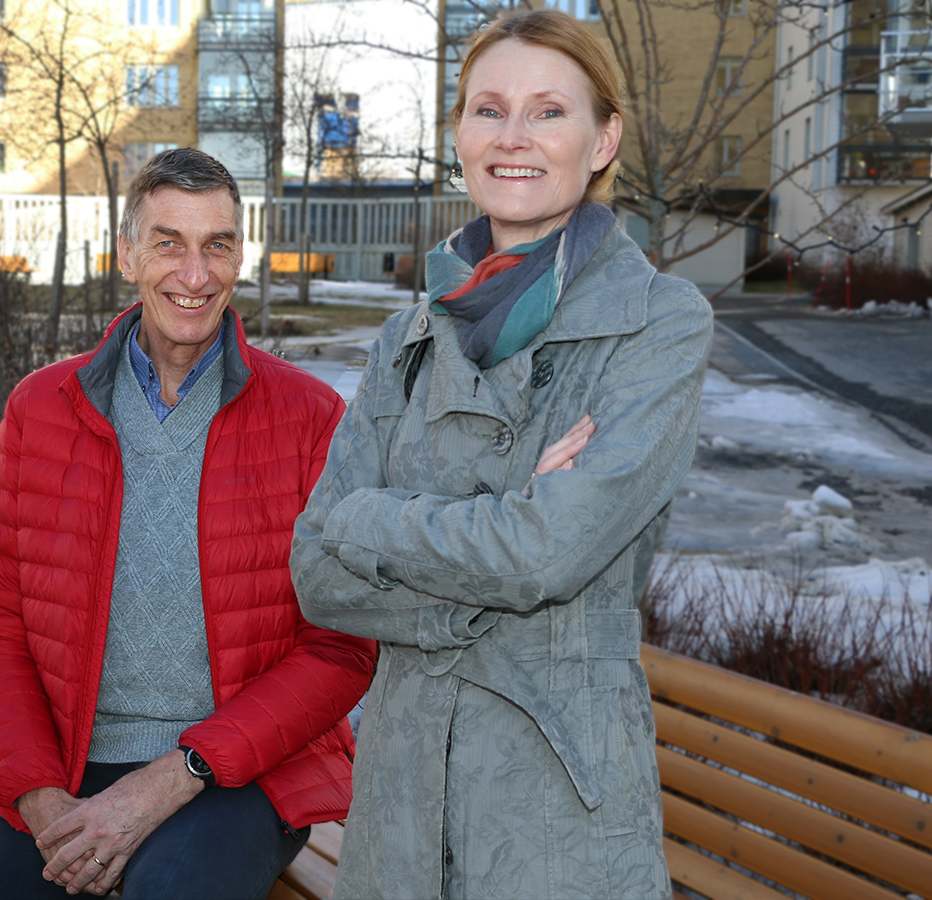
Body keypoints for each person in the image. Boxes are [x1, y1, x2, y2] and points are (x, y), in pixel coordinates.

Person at [290, 10, 713, 899]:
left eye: (548, 112)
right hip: (399, 814)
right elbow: (315, 571)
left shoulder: (659, 322)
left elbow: (546, 556)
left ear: (604, 138)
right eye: (489, 110)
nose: (513, 138)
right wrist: (503, 529)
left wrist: (370, 520)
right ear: (458, 134)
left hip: (556, 817)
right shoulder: (409, 333)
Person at [0, 148, 377, 899]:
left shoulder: (310, 418)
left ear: (240, 256)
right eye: (168, 243)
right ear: (125, 255)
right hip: (69, 759)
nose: (195, 273)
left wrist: (176, 775)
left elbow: (341, 648)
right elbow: (1, 626)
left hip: (242, 772)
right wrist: (39, 796)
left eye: (217, 245)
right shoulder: (41, 408)